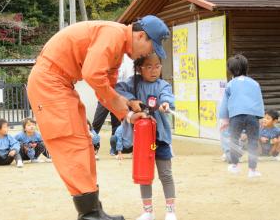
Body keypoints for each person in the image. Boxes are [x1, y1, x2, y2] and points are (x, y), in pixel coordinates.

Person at [27, 15, 170, 220]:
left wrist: (128, 112)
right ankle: (90, 215)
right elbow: (93, 74)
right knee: (73, 143)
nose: (149, 54)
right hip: (50, 83)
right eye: (151, 47)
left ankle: (94, 211)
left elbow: (106, 91)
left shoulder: (117, 50)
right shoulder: (113, 35)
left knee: (84, 143)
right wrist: (122, 105)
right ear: (140, 36)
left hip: (60, 84)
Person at [116, 53, 177, 220]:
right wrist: (131, 100)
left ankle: (170, 211)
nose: (154, 70)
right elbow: (118, 89)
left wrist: (165, 103)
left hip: (160, 139)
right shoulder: (133, 83)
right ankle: (148, 211)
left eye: (157, 66)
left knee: (165, 174)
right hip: (143, 140)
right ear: (139, 69)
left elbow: (167, 96)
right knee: (144, 175)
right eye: (148, 67)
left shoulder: (163, 85)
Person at [219, 54, 264, 178]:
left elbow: (225, 103)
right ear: (246, 67)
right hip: (253, 116)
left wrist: (224, 120)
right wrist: (260, 117)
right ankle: (252, 170)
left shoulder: (230, 84)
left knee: (234, 140)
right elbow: (259, 100)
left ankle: (235, 165)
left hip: (236, 116)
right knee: (253, 142)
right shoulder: (255, 83)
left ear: (231, 70)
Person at [92, 54, 134, 155]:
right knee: (97, 122)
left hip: (117, 98)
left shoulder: (123, 66)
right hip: (105, 97)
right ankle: (92, 145)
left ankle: (114, 148)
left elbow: (125, 82)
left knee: (116, 124)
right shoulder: (105, 65)